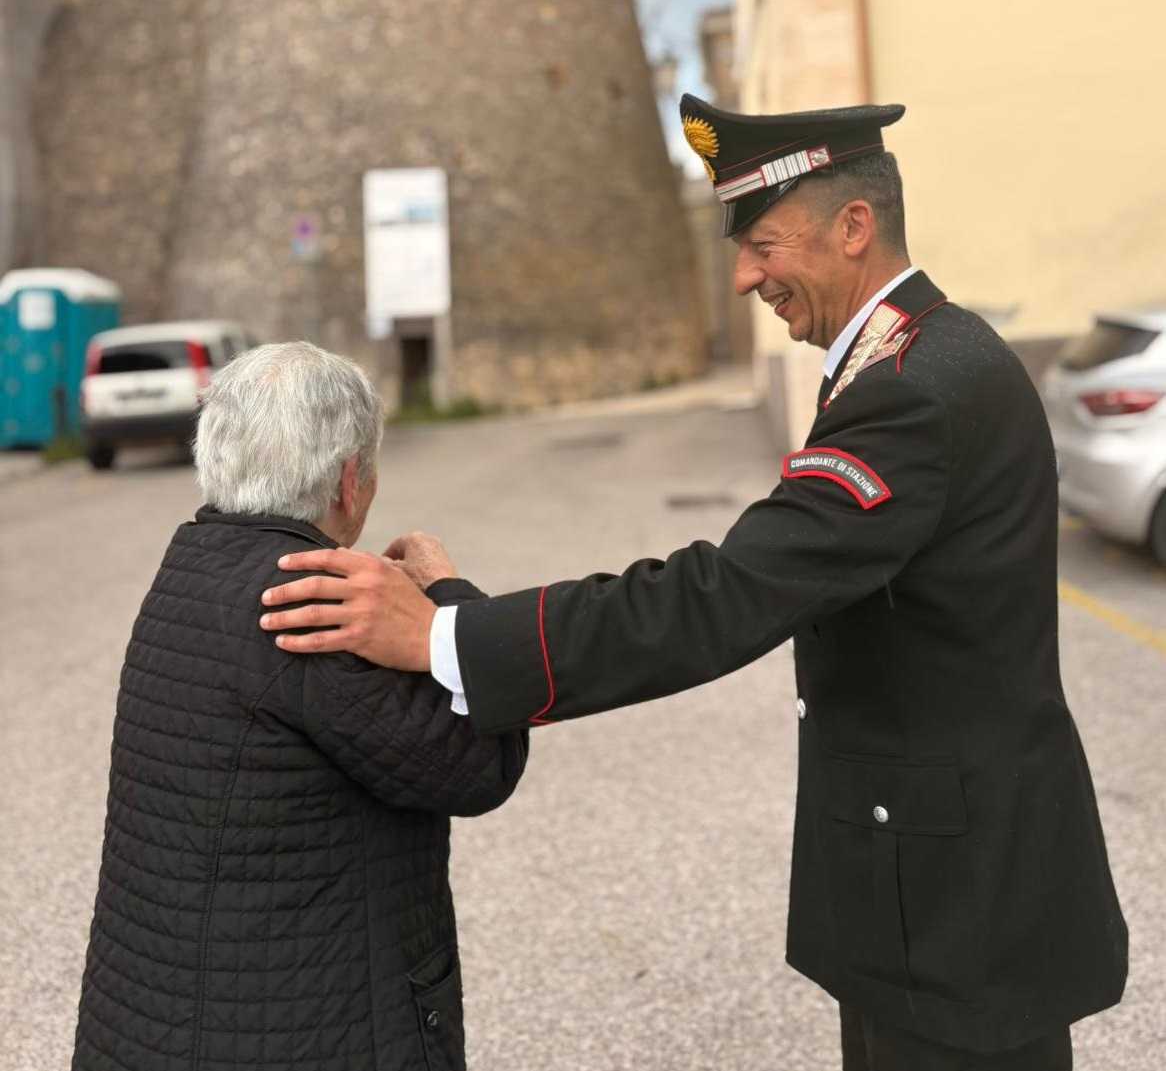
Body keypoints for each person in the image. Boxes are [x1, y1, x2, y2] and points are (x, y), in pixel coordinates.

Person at [258, 99, 1128, 1071]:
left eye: (763, 245)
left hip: (958, 902)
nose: (745, 276)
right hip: (941, 875)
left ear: (853, 226)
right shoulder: (917, 353)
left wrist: (440, 637)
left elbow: (721, 597)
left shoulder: (910, 388)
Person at [72, 341, 527, 1071]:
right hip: (299, 1036)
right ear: (349, 481)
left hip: (146, 1025)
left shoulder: (191, 565)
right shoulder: (314, 605)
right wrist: (447, 600)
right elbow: (480, 763)